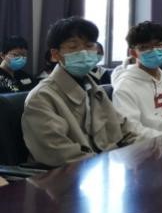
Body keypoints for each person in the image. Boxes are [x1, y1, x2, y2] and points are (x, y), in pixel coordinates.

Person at [21, 17, 139, 167]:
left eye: (89, 46)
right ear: (55, 54)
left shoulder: (94, 89)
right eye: (73, 47)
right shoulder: (41, 97)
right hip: (70, 176)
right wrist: (109, 166)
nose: (84, 52)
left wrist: (147, 150)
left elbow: (124, 129)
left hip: (107, 165)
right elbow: (59, 154)